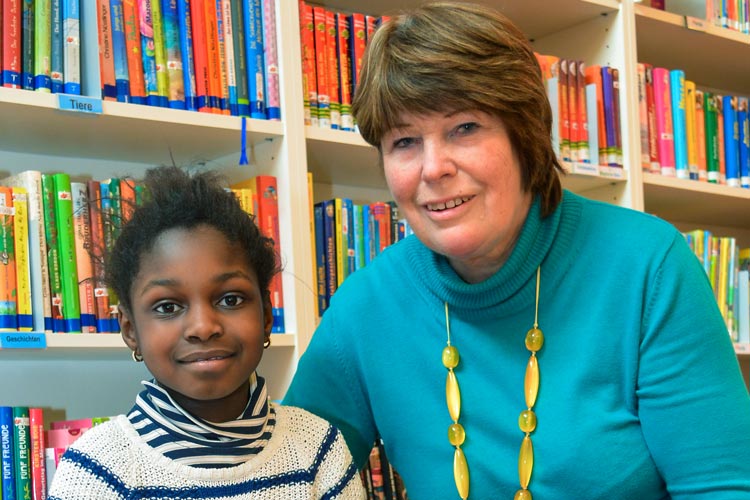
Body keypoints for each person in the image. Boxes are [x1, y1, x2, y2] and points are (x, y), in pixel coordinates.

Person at [284, 2, 750, 499]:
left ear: (524, 136)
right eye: (405, 141)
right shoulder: (366, 309)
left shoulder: (648, 266)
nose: (433, 167)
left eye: (464, 127)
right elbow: (278, 476)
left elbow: (720, 487)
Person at [47, 166, 365, 500]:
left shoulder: (317, 448)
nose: (203, 327)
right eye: (168, 307)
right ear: (130, 330)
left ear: (267, 315)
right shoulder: (98, 470)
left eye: (230, 299)